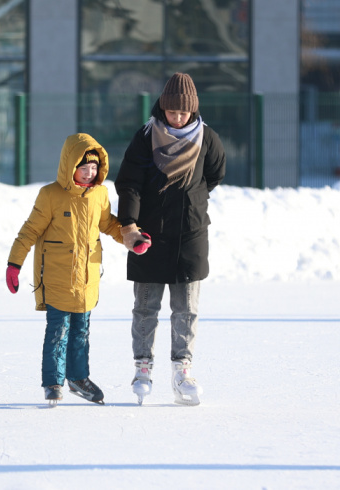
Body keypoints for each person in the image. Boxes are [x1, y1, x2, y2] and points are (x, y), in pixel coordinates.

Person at [115, 72, 226, 406]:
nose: (178, 118)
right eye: (172, 112)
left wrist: (191, 201)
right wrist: (130, 224)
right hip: (149, 235)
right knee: (146, 307)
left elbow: (215, 174)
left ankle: (182, 370)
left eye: (184, 113)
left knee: (186, 309)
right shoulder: (146, 137)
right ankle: (142, 366)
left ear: (193, 111)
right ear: (162, 109)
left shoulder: (207, 139)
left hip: (190, 235)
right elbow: (130, 182)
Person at [6, 133, 140, 406]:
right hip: (57, 278)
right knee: (58, 331)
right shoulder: (50, 195)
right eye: (84, 168)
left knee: (81, 331)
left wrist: (132, 238)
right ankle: (53, 382)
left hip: (87, 277)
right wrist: (14, 263)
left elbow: (109, 225)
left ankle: (78, 378)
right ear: (70, 166)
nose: (90, 173)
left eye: (94, 168)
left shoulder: (100, 194)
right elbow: (30, 231)